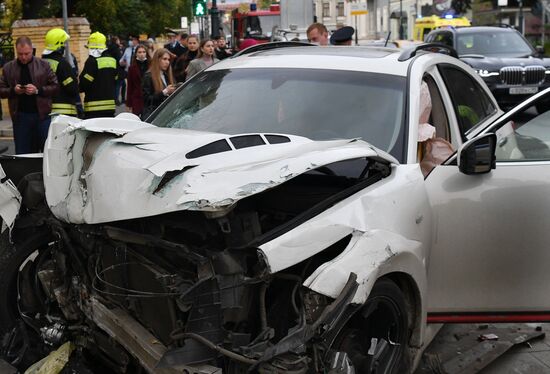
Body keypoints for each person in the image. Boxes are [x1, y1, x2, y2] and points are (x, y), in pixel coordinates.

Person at [0, 36, 58, 154]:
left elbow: (56, 87)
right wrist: (13, 91)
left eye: (27, 53)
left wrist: (37, 90)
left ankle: (44, 173)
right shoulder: (8, 68)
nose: (23, 57)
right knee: (23, 154)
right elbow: (1, 90)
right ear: (16, 51)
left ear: (32, 49)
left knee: (46, 153)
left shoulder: (44, 65)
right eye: (20, 54)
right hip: (21, 117)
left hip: (42, 116)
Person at [79, 32, 117, 119]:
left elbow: (84, 84)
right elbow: (115, 81)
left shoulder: (91, 62)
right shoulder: (112, 60)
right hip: (110, 109)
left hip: (93, 110)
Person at [42, 28, 79, 117]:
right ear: (58, 45)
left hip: (46, 111)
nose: (65, 46)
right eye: (63, 43)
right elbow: (72, 88)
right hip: (64, 112)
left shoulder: (41, 62)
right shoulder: (62, 64)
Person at [141, 48, 176, 119]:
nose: (167, 62)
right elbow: (146, 100)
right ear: (157, 60)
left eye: (168, 60)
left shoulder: (166, 75)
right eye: (164, 59)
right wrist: (164, 92)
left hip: (166, 114)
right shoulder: (148, 76)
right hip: (154, 116)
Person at [126, 44, 149, 117]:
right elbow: (130, 86)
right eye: (139, 52)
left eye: (143, 52)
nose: (142, 54)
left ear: (146, 53)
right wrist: (128, 103)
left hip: (149, 98)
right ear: (136, 54)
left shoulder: (150, 65)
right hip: (136, 98)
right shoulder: (132, 68)